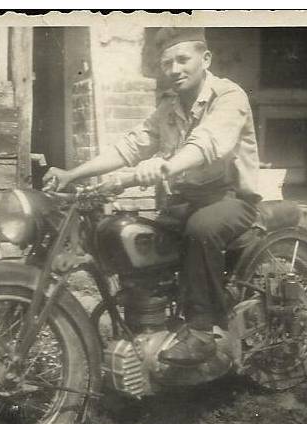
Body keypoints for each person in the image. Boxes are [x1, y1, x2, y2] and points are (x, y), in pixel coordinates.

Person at [43, 27, 260, 366]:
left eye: (182, 59)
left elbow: (207, 143)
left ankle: (202, 333)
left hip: (230, 198)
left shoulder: (228, 97)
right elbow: (129, 146)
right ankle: (148, 324)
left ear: (205, 59)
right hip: (186, 198)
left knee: (200, 231)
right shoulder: (168, 108)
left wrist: (164, 167)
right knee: (143, 243)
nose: (174, 69)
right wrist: (72, 174)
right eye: (167, 63)